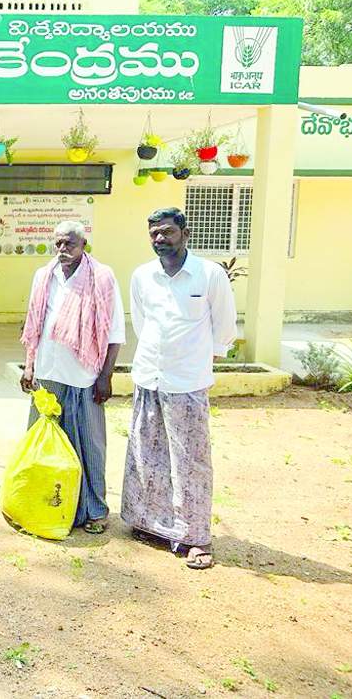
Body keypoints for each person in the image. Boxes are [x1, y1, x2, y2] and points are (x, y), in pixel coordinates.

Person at [121, 207, 237, 569]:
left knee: (191, 461)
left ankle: (196, 537)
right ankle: (152, 524)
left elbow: (224, 329)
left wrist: (200, 361)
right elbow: (142, 323)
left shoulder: (209, 275)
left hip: (186, 383)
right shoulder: (143, 276)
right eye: (154, 233)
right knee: (147, 455)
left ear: (185, 234)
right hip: (149, 377)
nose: (160, 239)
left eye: (167, 232)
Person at [19, 220, 125, 533]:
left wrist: (105, 376)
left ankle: (93, 511)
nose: (63, 250)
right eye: (59, 244)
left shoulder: (102, 277)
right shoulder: (44, 275)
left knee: (88, 446)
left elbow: (114, 332)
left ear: (83, 245)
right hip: (48, 373)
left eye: (70, 244)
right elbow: (34, 324)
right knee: (44, 446)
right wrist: (29, 366)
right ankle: (42, 506)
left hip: (83, 376)